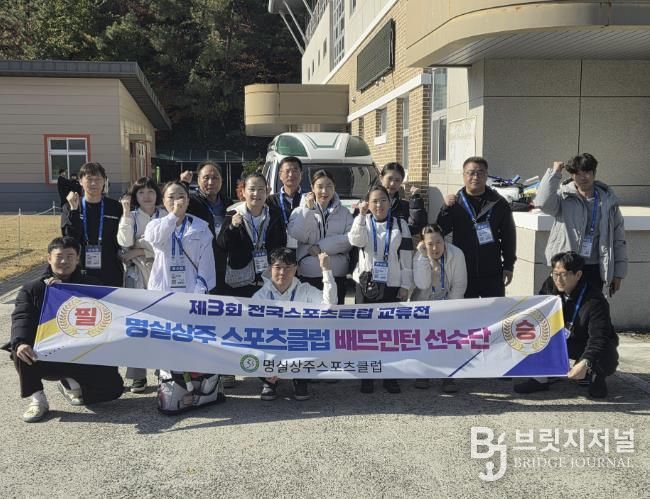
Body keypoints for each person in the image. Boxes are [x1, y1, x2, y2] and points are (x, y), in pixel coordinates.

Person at [9, 237, 123, 423]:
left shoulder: (92, 284)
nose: (64, 261)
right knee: (19, 349)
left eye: (70, 256)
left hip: (82, 352)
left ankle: (71, 383)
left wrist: (67, 291)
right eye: (59, 256)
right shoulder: (33, 288)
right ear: (49, 258)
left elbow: (109, 315)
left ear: (77, 259)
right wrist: (20, 342)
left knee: (113, 390)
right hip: (47, 353)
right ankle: (38, 400)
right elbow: (22, 317)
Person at [514, 252, 619, 398]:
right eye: (555, 274)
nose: (558, 279)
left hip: (584, 341)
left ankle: (596, 376)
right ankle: (540, 378)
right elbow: (538, 313)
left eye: (563, 274)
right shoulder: (549, 285)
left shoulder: (595, 300)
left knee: (606, 352)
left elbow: (598, 338)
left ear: (578, 274)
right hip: (561, 337)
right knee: (529, 330)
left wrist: (586, 361)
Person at [349, 185, 413, 394]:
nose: (379, 205)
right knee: (365, 332)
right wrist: (360, 215)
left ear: (390, 202)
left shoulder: (400, 224)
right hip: (365, 283)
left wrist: (405, 285)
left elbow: (406, 257)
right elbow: (355, 240)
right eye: (374, 201)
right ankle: (366, 375)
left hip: (391, 283)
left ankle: (389, 375)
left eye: (383, 200)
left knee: (390, 333)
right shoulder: (363, 221)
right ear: (368, 203)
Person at [535, 154, 627, 296]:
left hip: (594, 267)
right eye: (578, 173)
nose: (583, 177)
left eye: (587, 172)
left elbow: (618, 239)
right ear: (572, 176)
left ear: (594, 173)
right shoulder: (564, 197)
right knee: (561, 305)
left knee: (590, 306)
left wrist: (618, 273)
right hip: (566, 266)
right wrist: (555, 173)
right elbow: (542, 203)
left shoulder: (608, 202)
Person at [254, 248, 337, 401]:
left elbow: (330, 305)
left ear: (295, 269)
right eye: (278, 267)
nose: (282, 272)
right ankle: (268, 381)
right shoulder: (261, 295)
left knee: (316, 337)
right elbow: (249, 328)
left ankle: (300, 379)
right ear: (270, 268)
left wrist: (326, 270)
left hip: (297, 343)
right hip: (272, 344)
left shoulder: (305, 290)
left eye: (287, 268)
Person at [436, 156, 516, 298]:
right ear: (463, 175)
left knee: (494, 309)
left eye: (480, 172)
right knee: (466, 310)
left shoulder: (499, 203)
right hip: (462, 270)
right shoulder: (455, 203)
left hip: (492, 271)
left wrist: (509, 266)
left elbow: (508, 236)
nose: (475, 177)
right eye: (471, 173)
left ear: (486, 175)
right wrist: (445, 209)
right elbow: (441, 231)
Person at [117, 177, 167, 393]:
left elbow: (167, 244)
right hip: (136, 274)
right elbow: (124, 243)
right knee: (137, 324)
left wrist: (139, 250)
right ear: (135, 196)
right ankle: (137, 375)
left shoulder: (165, 215)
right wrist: (126, 214)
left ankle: (163, 371)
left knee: (162, 324)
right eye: (141, 192)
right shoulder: (133, 216)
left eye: (151, 192)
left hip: (161, 272)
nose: (147, 196)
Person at [411, 224, 468, 393]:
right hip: (424, 304)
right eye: (430, 244)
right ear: (423, 243)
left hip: (449, 303)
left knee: (448, 337)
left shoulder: (456, 254)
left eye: (438, 242)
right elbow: (422, 284)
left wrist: (447, 309)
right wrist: (423, 257)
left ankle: (448, 376)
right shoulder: (419, 255)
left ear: (444, 241)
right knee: (424, 338)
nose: (435, 248)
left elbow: (459, 285)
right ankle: (423, 373)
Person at [216, 173, 287, 297]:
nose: (256, 193)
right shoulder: (233, 213)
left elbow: (281, 244)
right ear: (243, 192)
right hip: (240, 281)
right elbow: (222, 244)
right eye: (252, 189)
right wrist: (232, 227)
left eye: (261, 189)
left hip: (268, 280)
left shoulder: (275, 215)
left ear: (267, 191)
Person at [288, 169, 353, 304]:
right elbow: (298, 234)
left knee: (335, 313)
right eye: (320, 187)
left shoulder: (345, 213)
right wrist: (308, 210)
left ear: (334, 187)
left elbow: (350, 239)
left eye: (329, 186)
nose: (324, 191)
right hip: (309, 274)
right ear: (312, 188)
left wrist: (320, 247)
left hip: (336, 274)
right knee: (309, 314)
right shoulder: (299, 211)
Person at [144, 181, 215, 294]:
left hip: (191, 291)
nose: (176, 201)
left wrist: (198, 292)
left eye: (181, 197)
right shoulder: (155, 225)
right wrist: (174, 215)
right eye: (171, 197)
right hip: (161, 291)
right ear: (163, 201)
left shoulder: (201, 227)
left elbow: (206, 263)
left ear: (188, 201)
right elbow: (156, 239)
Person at [61, 162, 123, 287]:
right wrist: (74, 210)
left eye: (98, 179)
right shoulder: (70, 206)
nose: (94, 183)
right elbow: (69, 239)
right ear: (80, 181)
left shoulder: (115, 207)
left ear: (104, 181)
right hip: (81, 270)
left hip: (111, 270)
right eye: (89, 179)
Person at [180, 161, 235, 291]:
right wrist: (184, 184)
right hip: (199, 264)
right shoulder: (192, 203)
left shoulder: (228, 203)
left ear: (221, 180)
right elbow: (178, 201)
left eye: (215, 178)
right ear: (198, 180)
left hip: (223, 264)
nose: (211, 182)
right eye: (206, 178)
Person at [378, 162, 428, 237]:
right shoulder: (369, 203)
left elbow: (414, 228)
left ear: (401, 182)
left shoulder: (404, 206)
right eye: (389, 178)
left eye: (397, 180)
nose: (392, 183)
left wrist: (415, 201)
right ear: (381, 178)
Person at [267, 156, 304, 249]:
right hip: (277, 252)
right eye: (287, 171)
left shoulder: (308, 199)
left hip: (303, 251)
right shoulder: (270, 201)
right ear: (280, 175)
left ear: (301, 174)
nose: (291, 175)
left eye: (295, 170)